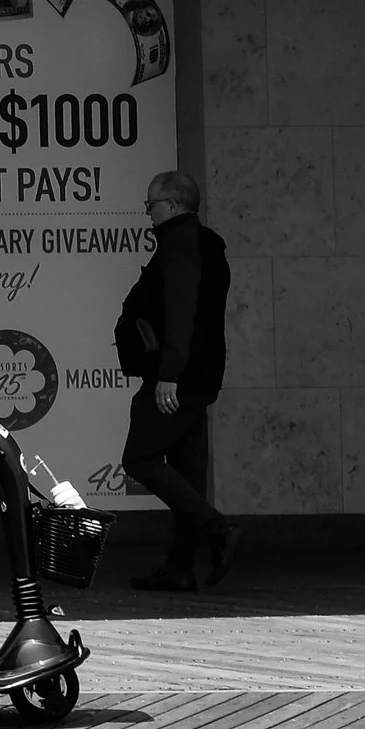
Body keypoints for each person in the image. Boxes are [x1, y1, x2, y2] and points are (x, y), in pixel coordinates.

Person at [119, 171, 241, 593]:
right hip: (197, 375)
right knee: (187, 472)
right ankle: (180, 565)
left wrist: (168, 374)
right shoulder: (202, 245)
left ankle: (219, 530)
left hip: (178, 377)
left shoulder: (181, 245)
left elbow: (181, 310)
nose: (147, 214)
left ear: (171, 205)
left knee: (141, 458)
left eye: (150, 206)